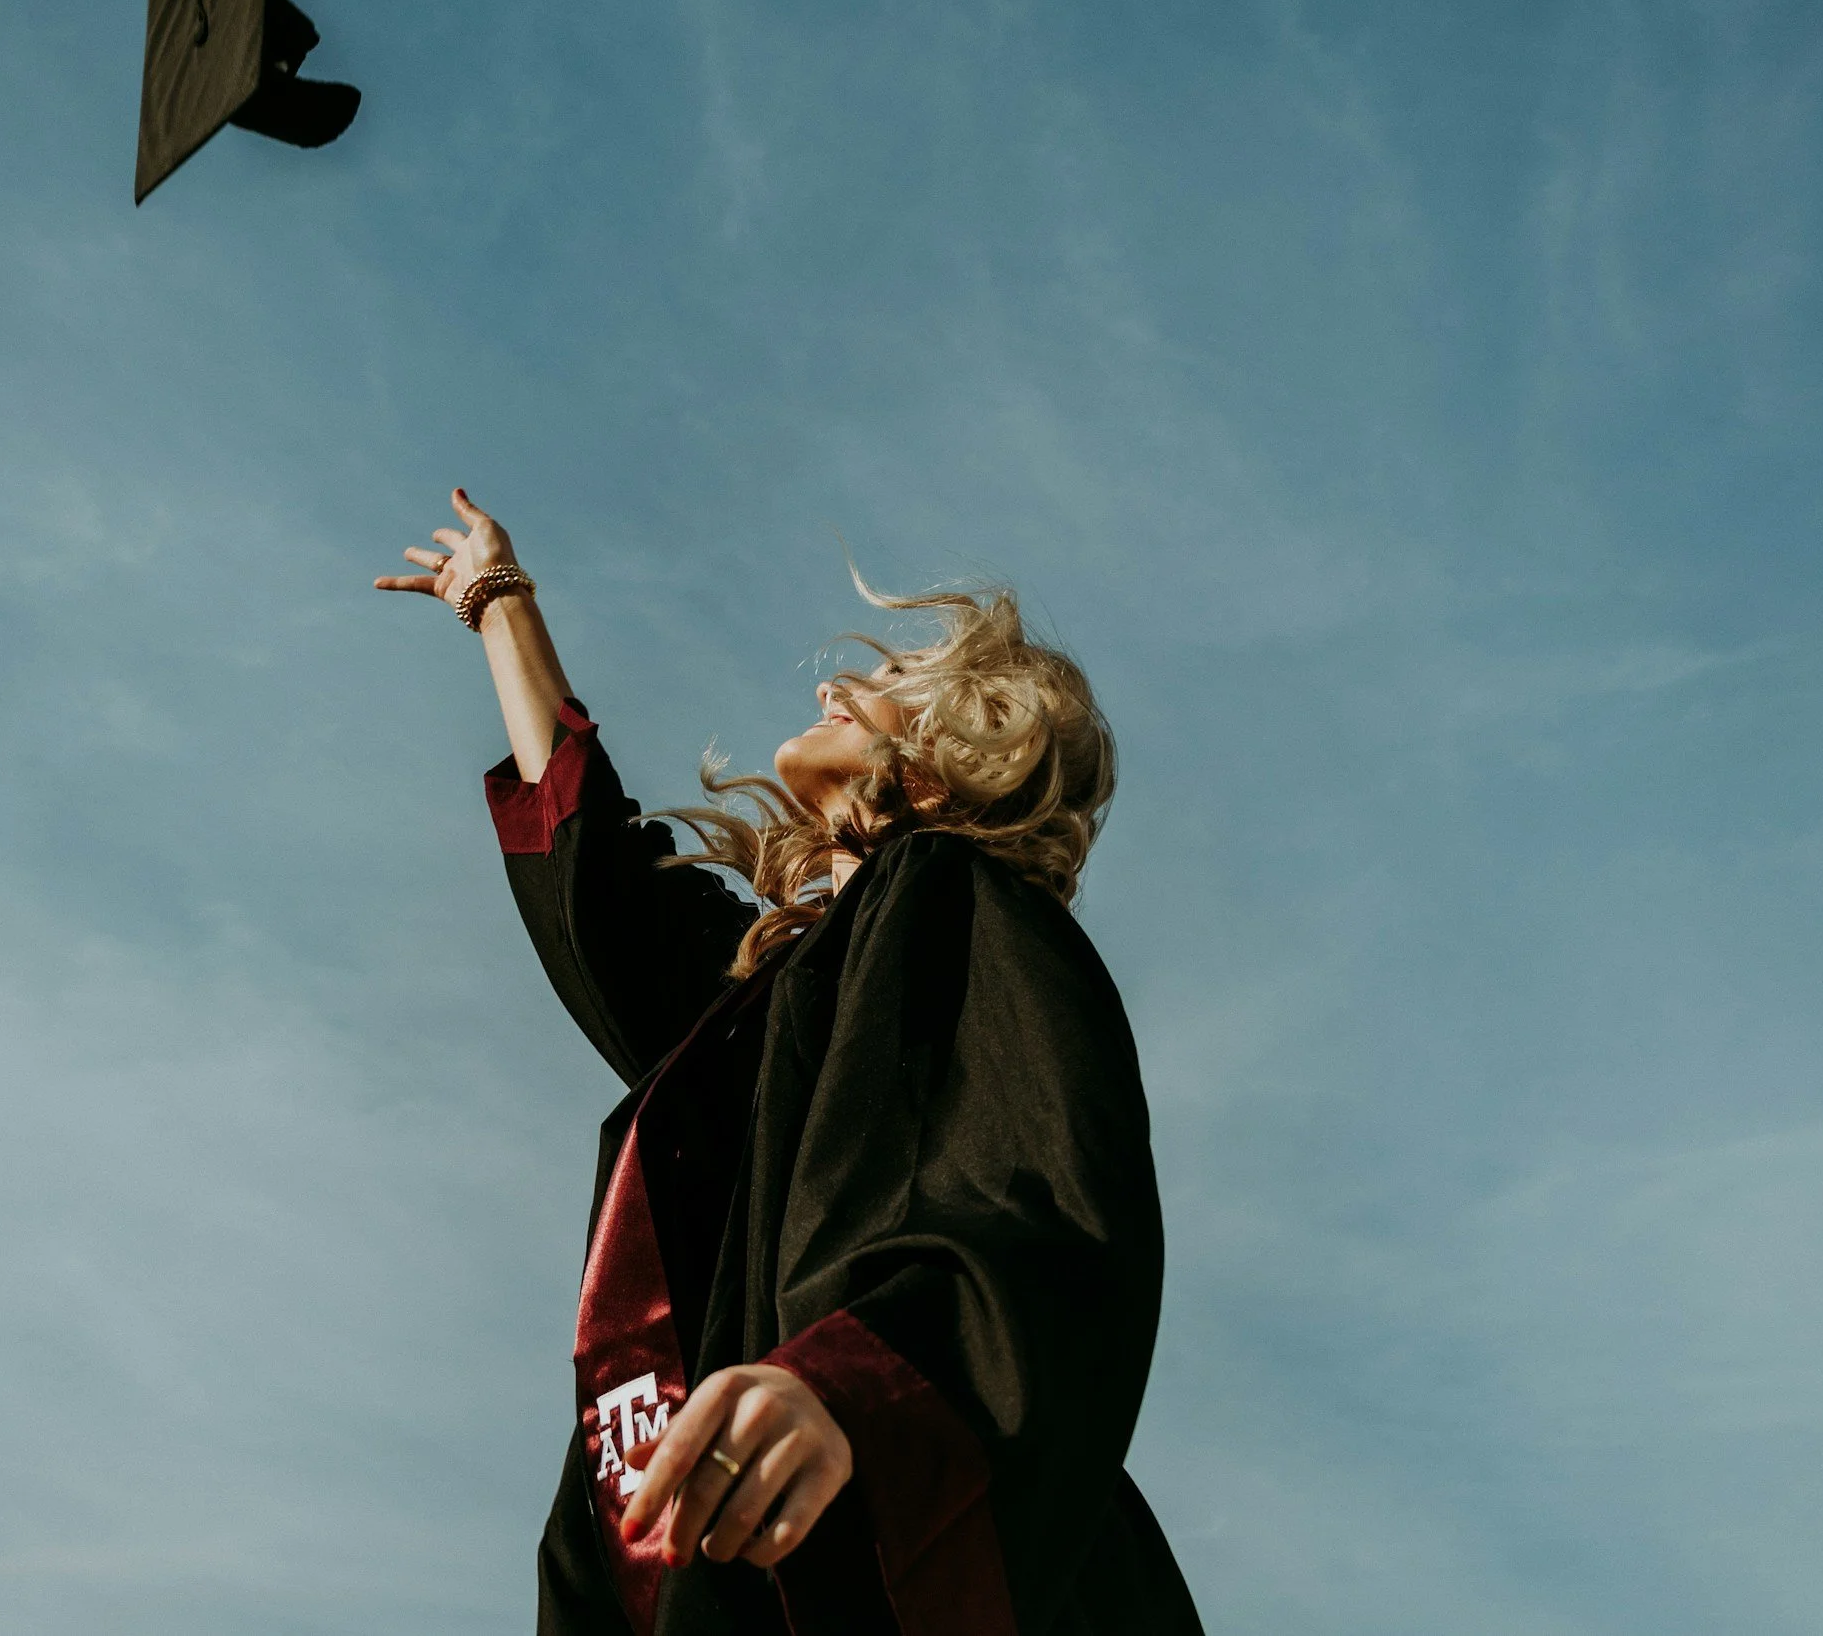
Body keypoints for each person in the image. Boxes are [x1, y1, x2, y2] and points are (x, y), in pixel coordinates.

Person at [378, 489, 1205, 1636]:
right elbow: (607, 902)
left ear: (942, 758)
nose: (831, 685)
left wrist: (856, 1385)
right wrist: (497, 602)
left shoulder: (967, 908)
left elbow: (1043, 1211)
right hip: (723, 1538)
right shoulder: (772, 994)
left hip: (874, 1536)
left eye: (877, 689)